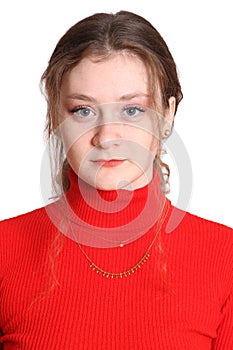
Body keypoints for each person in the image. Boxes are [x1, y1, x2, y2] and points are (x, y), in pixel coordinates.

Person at [0, 10, 232, 350]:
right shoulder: (5, 250)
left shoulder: (225, 257)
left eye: (132, 110)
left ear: (167, 114)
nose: (107, 136)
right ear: (55, 115)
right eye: (83, 110)